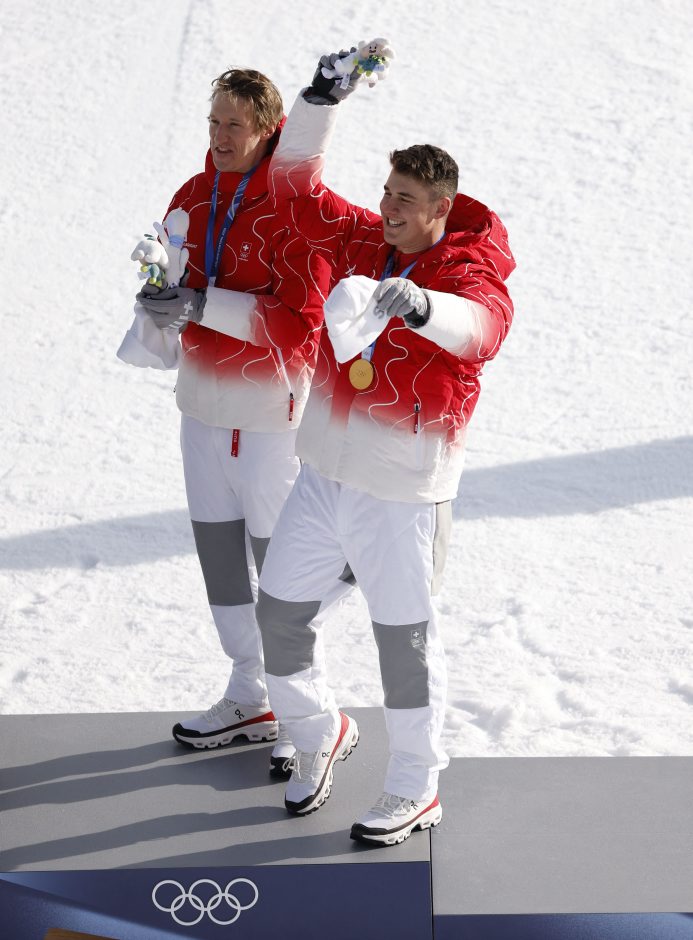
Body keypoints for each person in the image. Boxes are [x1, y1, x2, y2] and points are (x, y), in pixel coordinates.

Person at [254, 48, 516, 843]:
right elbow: (291, 189)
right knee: (279, 618)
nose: (387, 206)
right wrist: (319, 98)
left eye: (404, 198)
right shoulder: (366, 243)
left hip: (401, 498)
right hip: (323, 479)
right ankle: (317, 730)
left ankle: (413, 785)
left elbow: (482, 332)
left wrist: (423, 307)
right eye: (386, 192)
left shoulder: (470, 273)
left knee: (404, 648)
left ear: (440, 208)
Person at [133, 67, 335, 777]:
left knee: (282, 577)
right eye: (214, 122)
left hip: (270, 420)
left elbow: (300, 322)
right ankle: (250, 692)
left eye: (235, 126)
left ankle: (304, 711)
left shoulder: (294, 209)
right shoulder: (194, 194)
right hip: (201, 411)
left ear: (269, 130)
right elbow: (175, 273)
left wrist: (199, 305)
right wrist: (159, 296)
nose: (220, 137)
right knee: (220, 563)